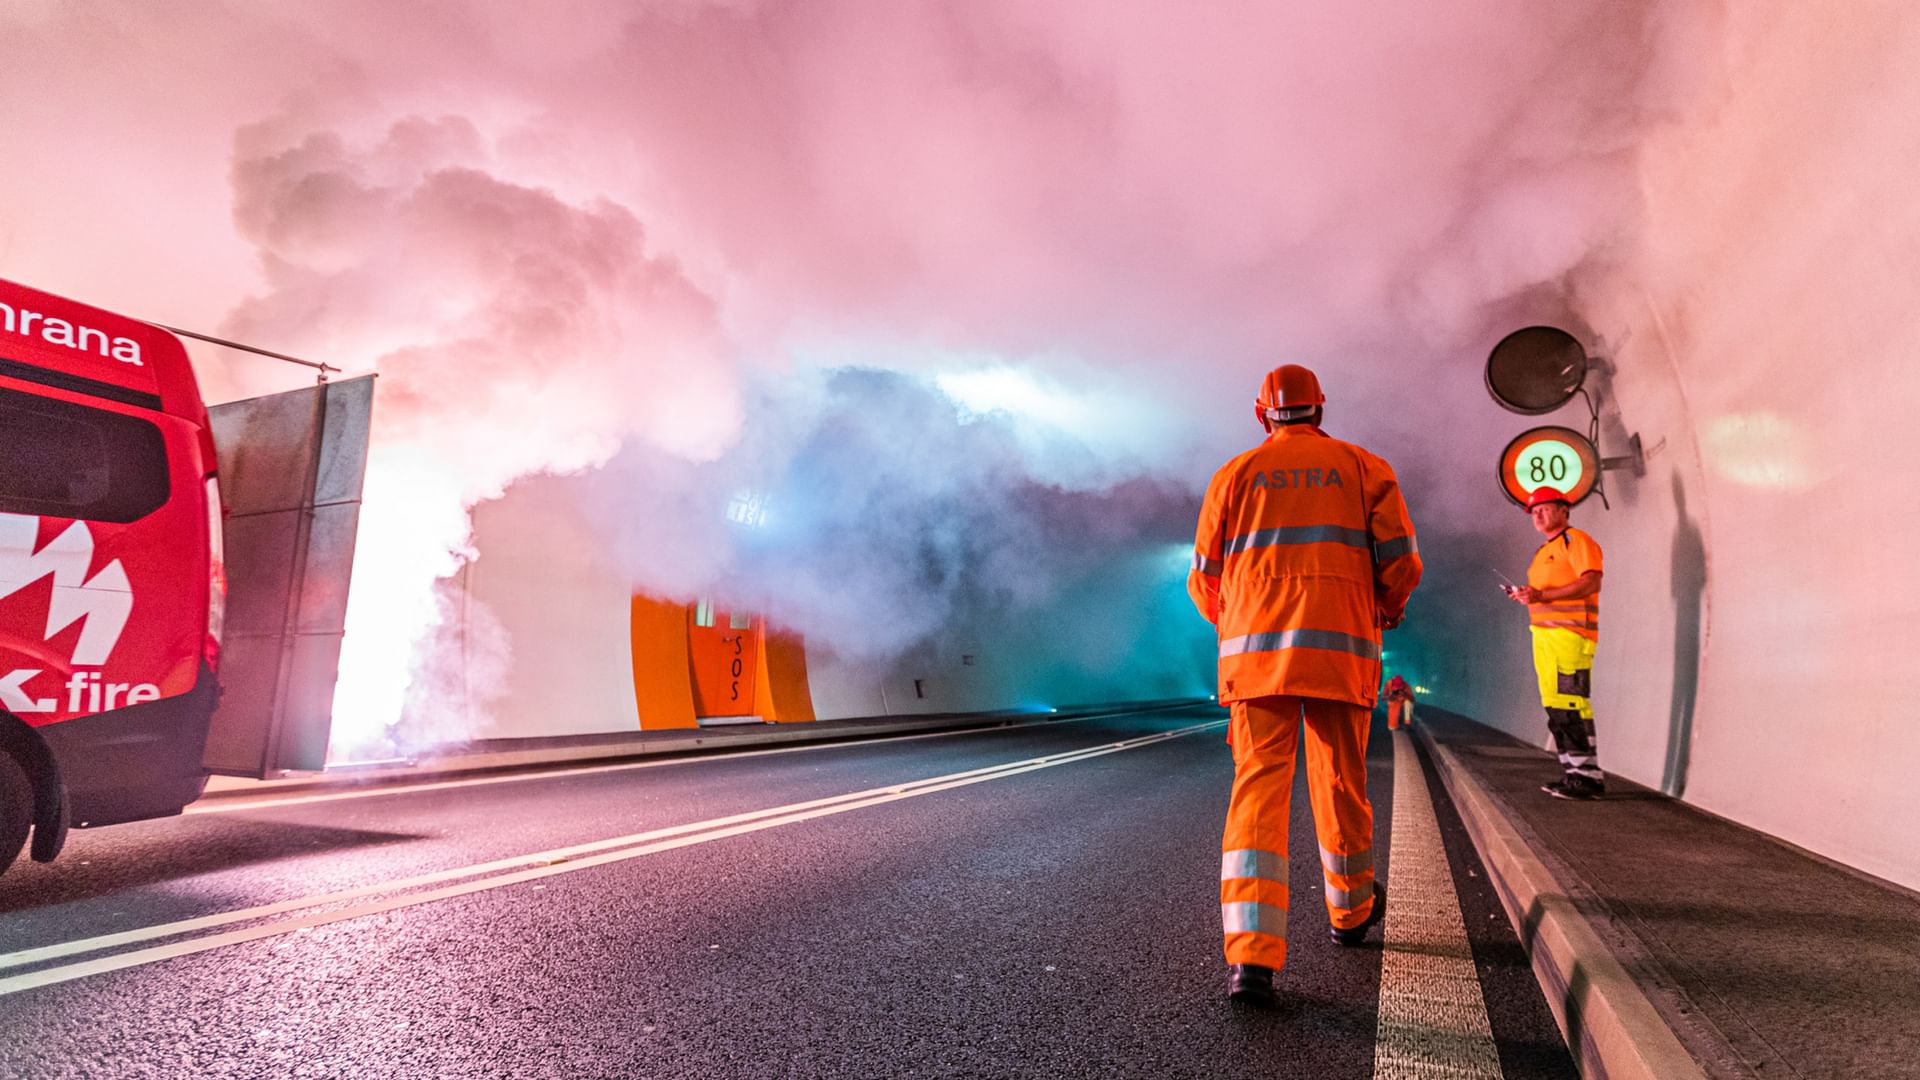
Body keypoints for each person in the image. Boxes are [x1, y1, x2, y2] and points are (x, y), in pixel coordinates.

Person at [1187, 362, 1422, 1007]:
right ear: (1320, 409)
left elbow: (1203, 579)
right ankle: (1349, 914)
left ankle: (1252, 960)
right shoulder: (1364, 467)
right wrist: (1383, 609)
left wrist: (1239, 620)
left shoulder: (1232, 476)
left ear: (1261, 414)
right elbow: (1401, 561)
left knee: (1258, 791)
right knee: (1342, 781)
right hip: (1340, 657)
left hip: (1257, 663)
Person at [1502, 486, 1605, 800]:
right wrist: (1527, 595)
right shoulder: (1542, 552)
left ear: (1564, 510)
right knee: (1556, 707)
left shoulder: (1575, 541)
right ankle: (1572, 773)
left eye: (1545, 508)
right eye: (1534, 511)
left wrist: (1541, 595)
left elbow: (1591, 580)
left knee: (1572, 704)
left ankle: (1589, 778)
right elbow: (1544, 592)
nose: (1538, 514)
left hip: (1569, 635)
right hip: (1545, 636)